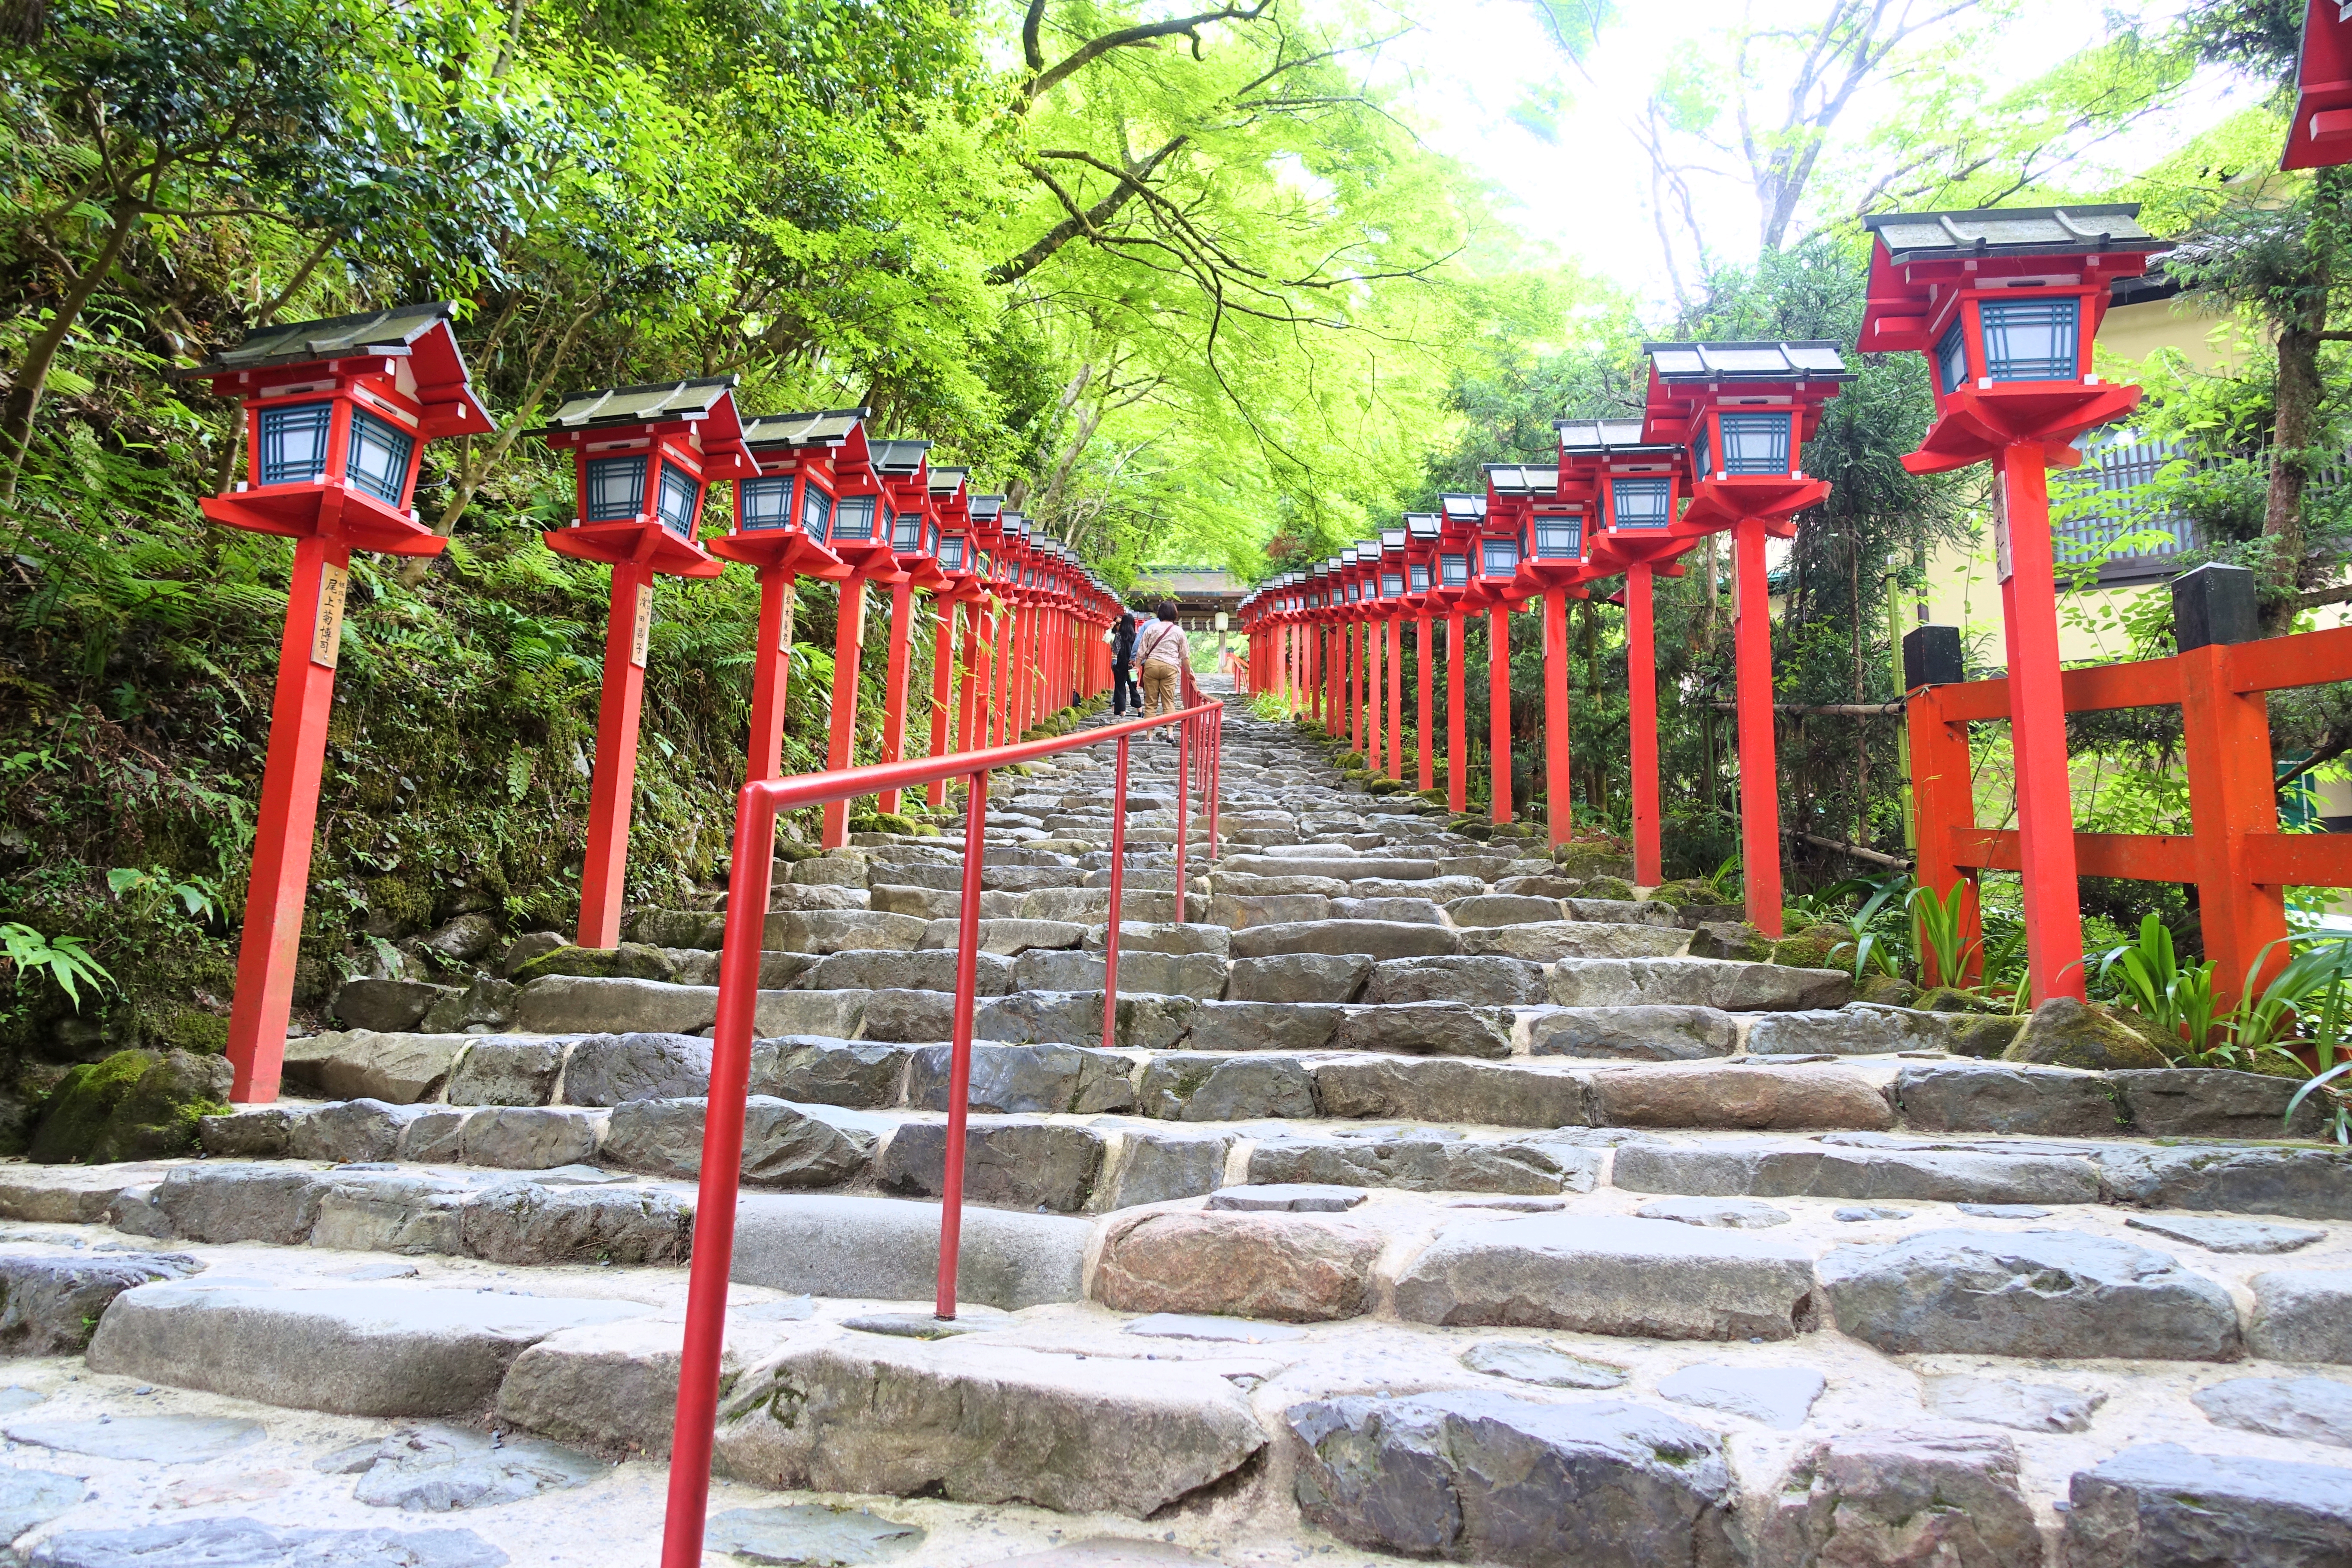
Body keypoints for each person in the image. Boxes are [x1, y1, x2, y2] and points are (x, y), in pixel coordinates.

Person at [1135, 602, 1190, 736]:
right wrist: (1189, 673)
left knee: (1150, 702)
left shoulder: (1151, 629)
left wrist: (1137, 666)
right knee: (1169, 701)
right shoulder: (1178, 631)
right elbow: (1185, 656)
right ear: (1175, 614)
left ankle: (1149, 735)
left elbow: (1141, 650)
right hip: (1170, 667)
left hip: (1152, 665)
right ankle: (1170, 733)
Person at [1110, 608, 1139, 715]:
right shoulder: (1136, 636)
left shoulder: (1119, 635)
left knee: (1120, 686)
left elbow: (1115, 650)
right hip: (1132, 666)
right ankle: (1139, 709)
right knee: (1133, 686)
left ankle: (1122, 711)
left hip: (1121, 665)